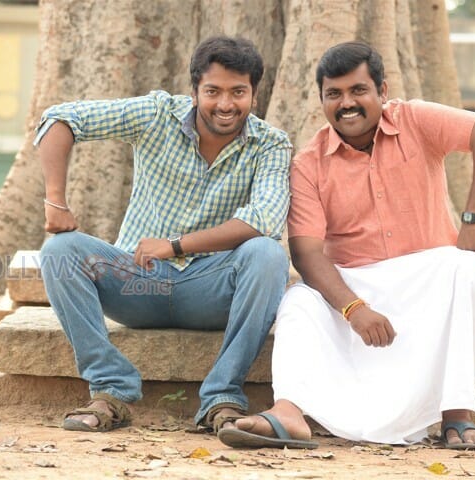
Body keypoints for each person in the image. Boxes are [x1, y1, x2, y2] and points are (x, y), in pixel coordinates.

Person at [219, 41, 475, 450]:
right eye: (334, 94)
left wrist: (474, 220)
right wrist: (354, 308)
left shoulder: (415, 119)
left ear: (382, 91)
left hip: (427, 278)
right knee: (299, 301)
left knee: (472, 270)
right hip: (354, 287)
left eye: (358, 90)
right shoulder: (308, 163)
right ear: (322, 99)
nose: (347, 104)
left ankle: (456, 413)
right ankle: (288, 413)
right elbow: (306, 253)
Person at [35, 36, 292, 433]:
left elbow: (262, 221)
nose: (225, 104)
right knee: (60, 250)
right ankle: (110, 390)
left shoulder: (271, 144)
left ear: (254, 95)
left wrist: (174, 246)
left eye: (238, 92)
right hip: (138, 284)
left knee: (268, 254)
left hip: (212, 291)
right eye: (213, 91)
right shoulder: (157, 114)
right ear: (194, 91)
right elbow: (60, 119)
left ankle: (222, 396)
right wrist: (55, 201)